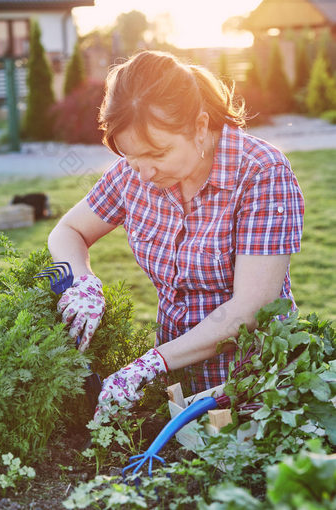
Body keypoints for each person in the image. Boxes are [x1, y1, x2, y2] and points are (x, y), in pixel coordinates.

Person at [48, 50, 304, 419]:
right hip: (174, 385)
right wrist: (83, 281)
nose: (144, 173)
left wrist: (148, 364)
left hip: (254, 389)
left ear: (200, 127)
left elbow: (251, 310)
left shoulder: (261, 173)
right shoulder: (133, 175)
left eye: (158, 154)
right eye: (131, 156)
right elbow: (68, 230)